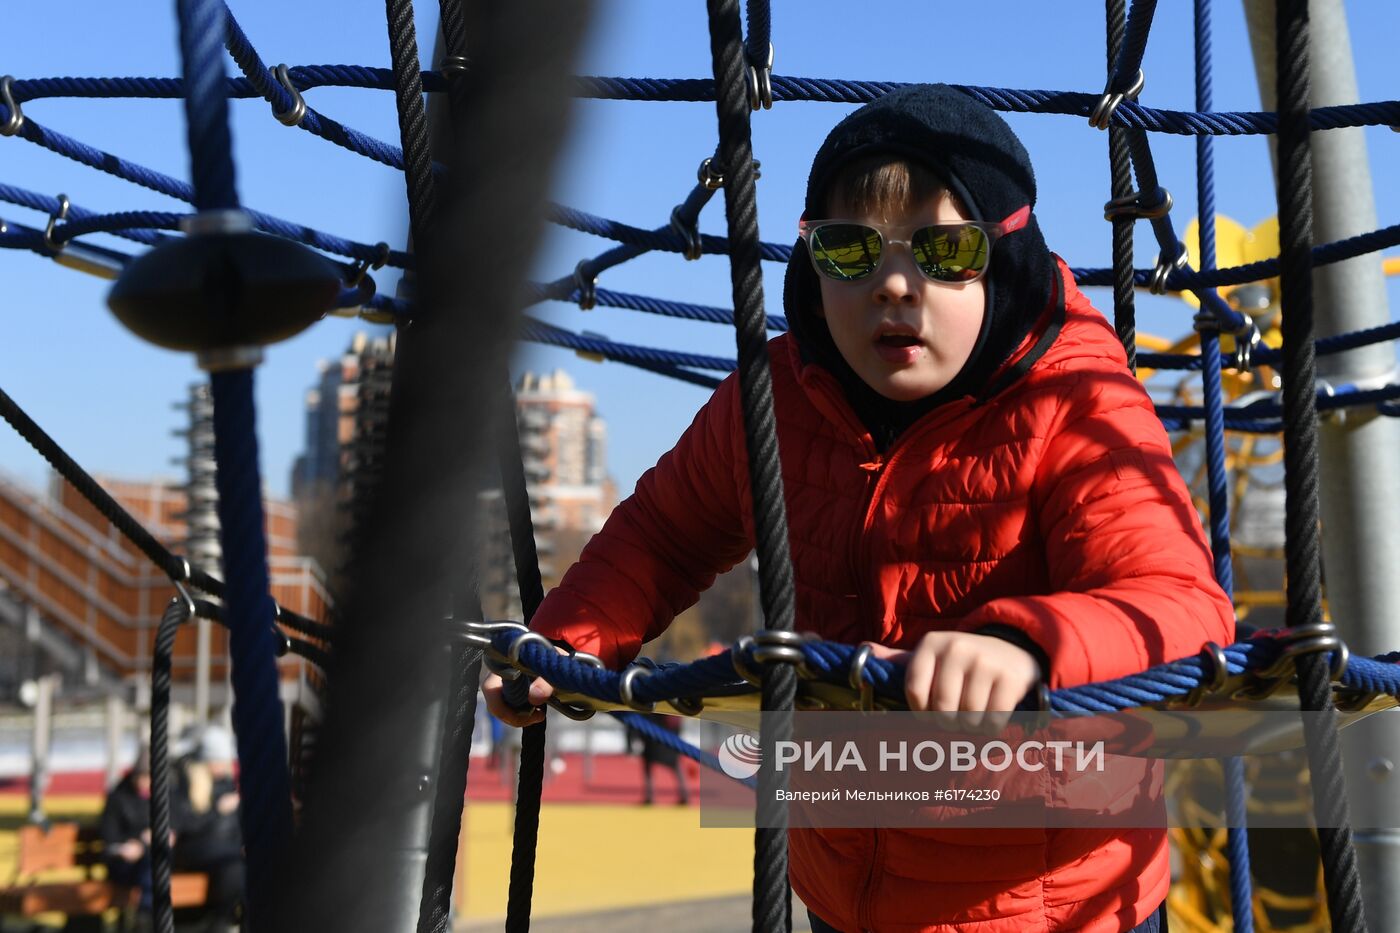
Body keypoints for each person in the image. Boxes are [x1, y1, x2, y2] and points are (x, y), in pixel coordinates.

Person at [485, 84, 1235, 932]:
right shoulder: (777, 398)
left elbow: (1184, 607)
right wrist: (571, 637)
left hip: (1052, 900)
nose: (894, 285)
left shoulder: (1076, 402)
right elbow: (661, 534)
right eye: (850, 252)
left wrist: (1029, 643)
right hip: (842, 888)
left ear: (1007, 258)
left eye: (946, 251)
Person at [172, 725, 245, 933]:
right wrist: (217, 810)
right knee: (234, 868)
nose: (221, 766)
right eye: (217, 761)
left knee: (243, 864)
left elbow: (238, 824)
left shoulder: (228, 784)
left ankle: (230, 920)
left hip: (226, 850)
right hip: (197, 850)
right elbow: (184, 823)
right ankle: (221, 923)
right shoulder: (189, 783)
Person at [100, 745, 156, 915]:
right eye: (142, 776)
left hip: (148, 859)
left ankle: (146, 917)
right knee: (151, 867)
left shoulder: (159, 796)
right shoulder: (118, 798)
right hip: (123, 862)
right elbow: (108, 836)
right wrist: (132, 846)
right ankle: (146, 917)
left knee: (152, 864)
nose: (145, 782)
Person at [625, 713, 690, 806]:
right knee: (675, 765)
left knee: (651, 766)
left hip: (656, 738)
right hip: (666, 739)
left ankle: (650, 796)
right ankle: (684, 795)